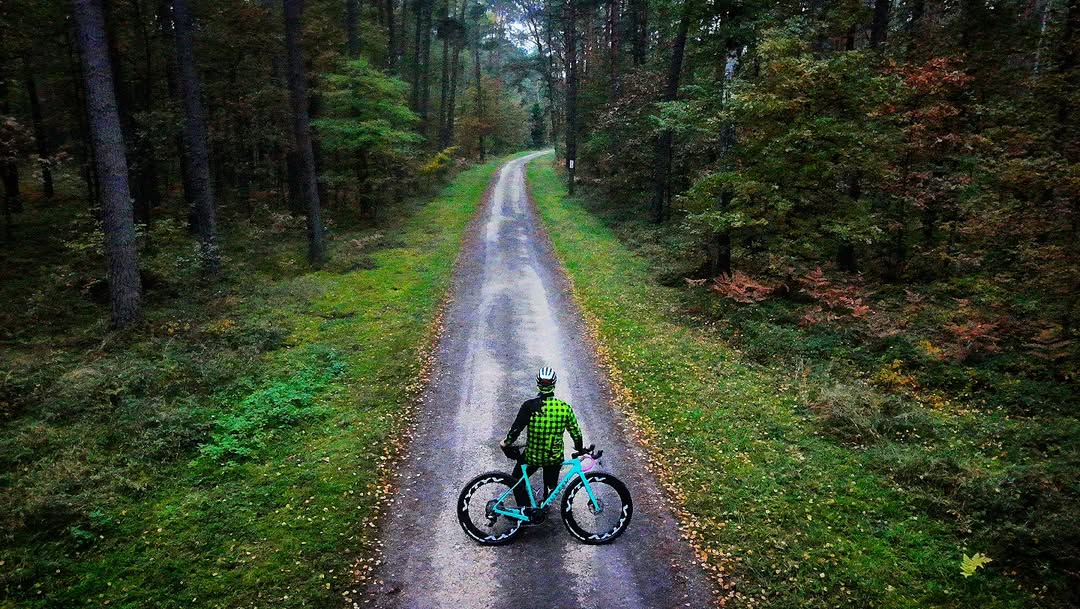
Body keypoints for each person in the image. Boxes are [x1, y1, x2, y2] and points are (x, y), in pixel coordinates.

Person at [499, 367, 586, 521]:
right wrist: (579, 449)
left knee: (516, 478)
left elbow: (516, 429)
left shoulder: (529, 406)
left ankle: (525, 510)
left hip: (532, 456)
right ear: (554, 384)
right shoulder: (564, 408)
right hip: (553, 457)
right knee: (551, 483)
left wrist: (506, 443)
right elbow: (576, 433)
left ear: (538, 384)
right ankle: (543, 505)